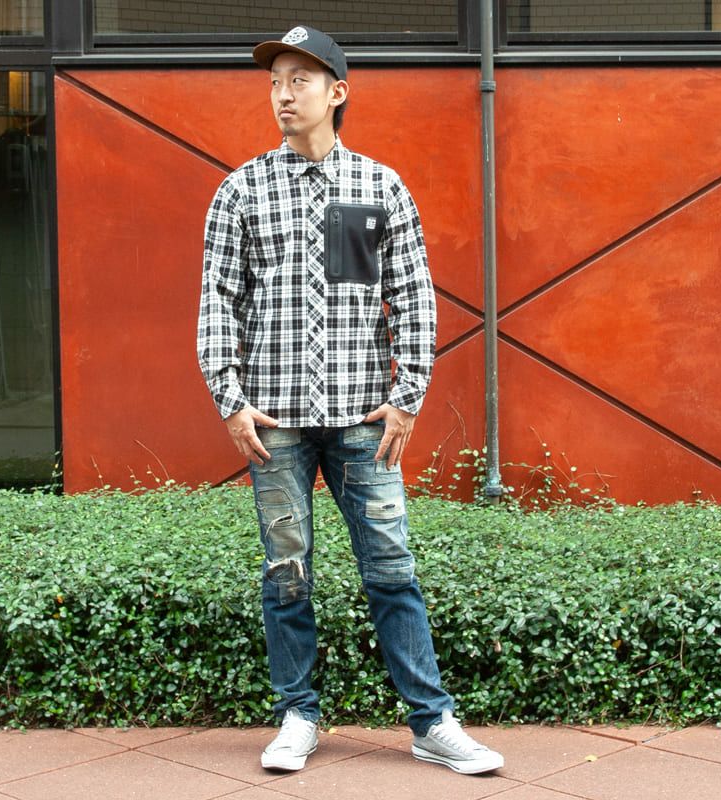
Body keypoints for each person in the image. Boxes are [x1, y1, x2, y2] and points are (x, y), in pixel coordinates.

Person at [197, 25, 504, 776]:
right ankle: (297, 715)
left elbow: (413, 298)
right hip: (274, 423)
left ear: (337, 92)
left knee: (392, 567)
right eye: (275, 82)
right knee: (287, 571)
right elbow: (217, 301)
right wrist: (229, 400)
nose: (283, 94)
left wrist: (407, 398)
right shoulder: (240, 191)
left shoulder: (380, 188)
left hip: (365, 418)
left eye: (299, 80)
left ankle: (432, 722)